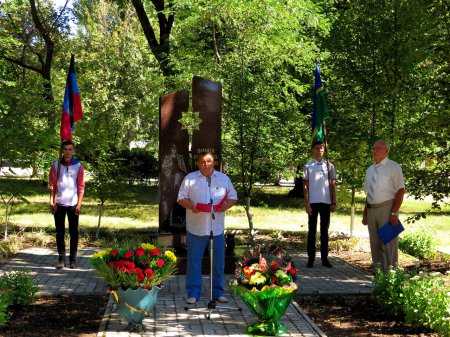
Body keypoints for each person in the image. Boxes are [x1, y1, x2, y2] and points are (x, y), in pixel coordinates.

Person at [177, 151, 237, 304]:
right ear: (198, 163)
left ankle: (217, 293)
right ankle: (193, 293)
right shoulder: (190, 178)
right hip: (195, 228)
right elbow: (181, 198)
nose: (206, 164)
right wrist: (192, 206)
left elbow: (233, 196)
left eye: (209, 161)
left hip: (216, 229)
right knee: (194, 262)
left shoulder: (223, 179)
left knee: (218, 263)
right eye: (202, 161)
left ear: (214, 162)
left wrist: (225, 205)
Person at [363, 140, 405, 272]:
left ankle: (391, 272)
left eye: (379, 148)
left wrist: (394, 212)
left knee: (388, 242)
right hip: (371, 209)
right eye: (374, 148)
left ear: (386, 151)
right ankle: (378, 271)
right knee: (374, 242)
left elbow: (400, 190)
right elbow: (368, 193)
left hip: (387, 209)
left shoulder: (394, 167)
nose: (375, 151)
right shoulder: (369, 170)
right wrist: (365, 213)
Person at [49, 140, 85, 269]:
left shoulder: (78, 166)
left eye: (70, 149)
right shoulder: (55, 165)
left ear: (73, 151)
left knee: (74, 232)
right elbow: (52, 185)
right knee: (59, 232)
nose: (68, 151)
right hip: (59, 203)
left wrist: (79, 204)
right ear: (62, 151)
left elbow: (81, 187)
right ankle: (61, 258)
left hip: (73, 204)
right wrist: (51, 201)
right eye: (65, 149)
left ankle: (73, 259)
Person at [303, 140, 336, 268]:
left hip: (326, 202)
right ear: (313, 150)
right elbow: (305, 186)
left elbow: (333, 185)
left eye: (322, 148)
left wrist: (334, 201)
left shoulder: (329, 166)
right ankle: (310, 259)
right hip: (313, 202)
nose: (319, 150)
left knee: (324, 231)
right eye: (317, 148)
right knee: (311, 231)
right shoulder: (308, 165)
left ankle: (324, 259)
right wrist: (306, 203)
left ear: (324, 150)